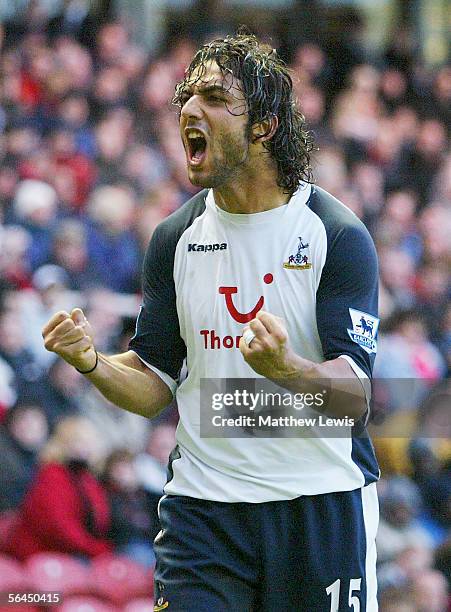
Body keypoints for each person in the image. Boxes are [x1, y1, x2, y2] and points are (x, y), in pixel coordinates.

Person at [42, 33, 380, 611]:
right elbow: (155, 386)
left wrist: (286, 369)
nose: (189, 110)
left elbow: (353, 397)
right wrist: (92, 361)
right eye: (186, 97)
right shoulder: (175, 237)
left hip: (318, 506)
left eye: (215, 97)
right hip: (205, 513)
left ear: (264, 126)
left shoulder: (336, 234)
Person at [7, 416, 112, 561]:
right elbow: (58, 526)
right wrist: (94, 548)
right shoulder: (52, 474)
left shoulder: (87, 479)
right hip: (44, 555)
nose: (85, 447)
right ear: (63, 444)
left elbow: (100, 521)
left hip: (72, 552)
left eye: (89, 442)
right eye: (78, 441)